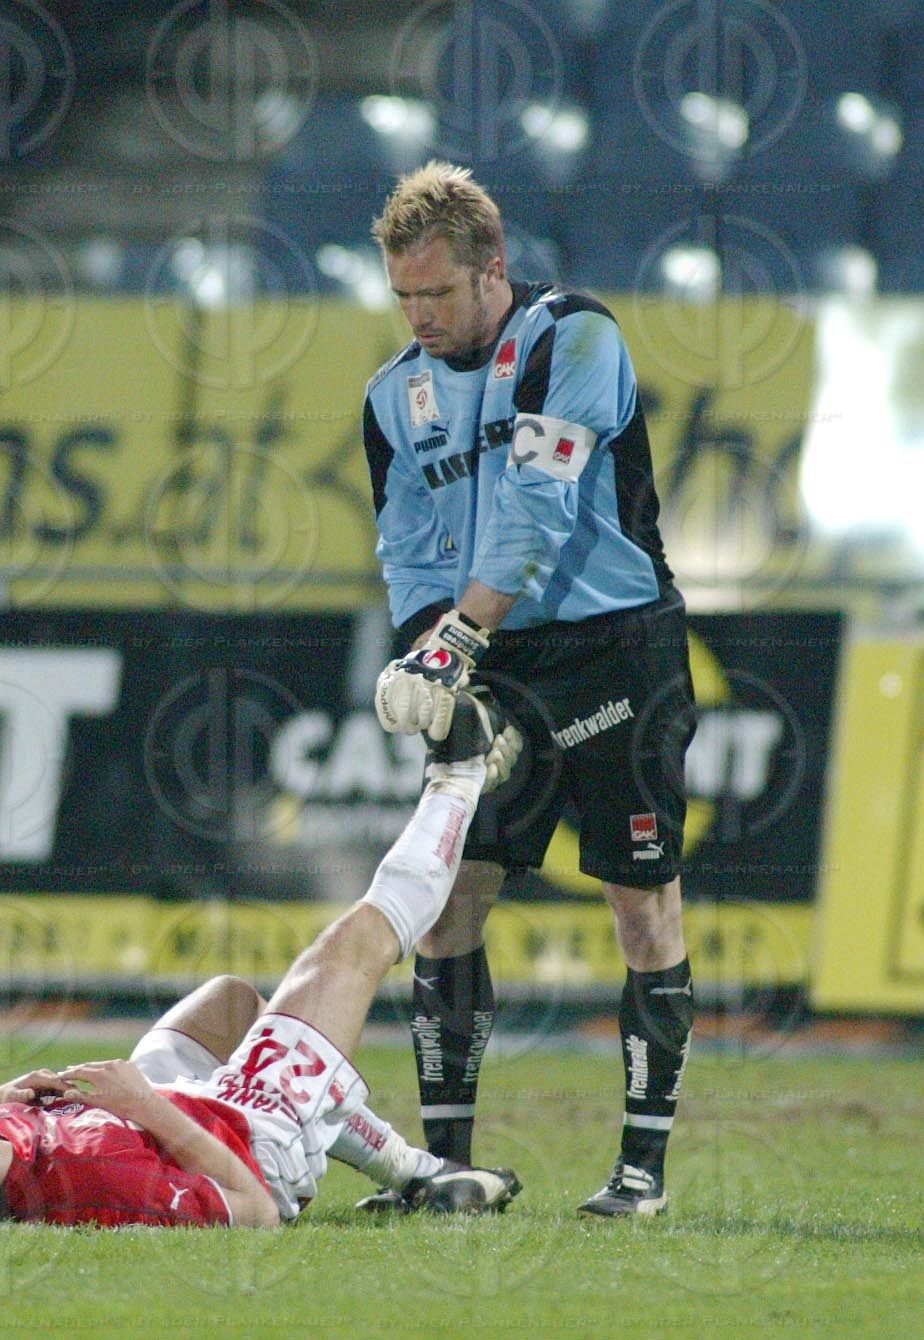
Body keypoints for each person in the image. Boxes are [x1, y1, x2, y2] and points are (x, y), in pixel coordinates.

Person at [0, 686, 525, 1227]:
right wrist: (144, 1106)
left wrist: (13, 1098)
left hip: (169, 1107)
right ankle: (463, 768)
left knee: (230, 1002)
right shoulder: (88, 1188)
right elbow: (255, 1211)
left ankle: (420, 1178)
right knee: (350, 951)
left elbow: (7, 1140)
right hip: (251, 1142)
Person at [362, 162, 697, 1217]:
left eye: (438, 294)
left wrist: (457, 634)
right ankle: (445, 1165)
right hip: (493, 662)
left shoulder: (574, 338)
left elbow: (539, 508)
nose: (419, 316)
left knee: (637, 899)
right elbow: (407, 549)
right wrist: (427, 647)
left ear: (490, 270)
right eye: (403, 296)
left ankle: (637, 1169)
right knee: (449, 899)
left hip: (613, 647)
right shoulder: (389, 398)